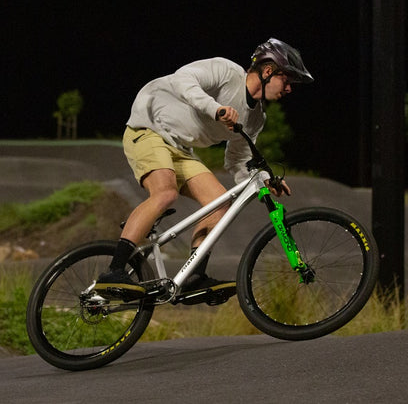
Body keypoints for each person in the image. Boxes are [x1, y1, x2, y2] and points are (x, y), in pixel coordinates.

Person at [94, 38, 313, 299]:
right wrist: (215, 108)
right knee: (165, 193)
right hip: (149, 129)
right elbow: (182, 79)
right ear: (268, 71)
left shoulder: (256, 118)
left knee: (220, 203)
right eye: (287, 81)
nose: (289, 89)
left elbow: (239, 159)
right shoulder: (225, 71)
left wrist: (264, 180)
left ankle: (193, 276)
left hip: (181, 150)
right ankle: (114, 271)